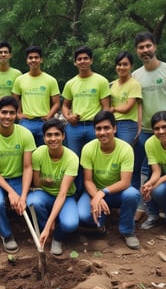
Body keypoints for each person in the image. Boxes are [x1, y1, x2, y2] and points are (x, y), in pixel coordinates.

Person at [132, 31, 166, 228]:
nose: (145, 50)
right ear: (137, 51)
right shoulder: (136, 75)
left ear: (155, 46)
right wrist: (138, 129)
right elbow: (137, 105)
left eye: (148, 46)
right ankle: (150, 213)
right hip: (146, 131)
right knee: (146, 171)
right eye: (141, 47)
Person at [77, 110, 141, 250]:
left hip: (117, 191)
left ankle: (127, 231)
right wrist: (97, 196)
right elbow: (88, 180)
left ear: (114, 129)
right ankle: (103, 221)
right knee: (83, 215)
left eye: (106, 128)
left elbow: (125, 182)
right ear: (94, 131)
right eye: (98, 129)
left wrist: (103, 193)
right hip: (95, 191)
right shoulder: (88, 148)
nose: (102, 132)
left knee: (132, 194)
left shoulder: (125, 149)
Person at [0, 96, 36, 253]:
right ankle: (6, 234)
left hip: (19, 178)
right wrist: (11, 193)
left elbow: (27, 167)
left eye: (12, 113)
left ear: (17, 114)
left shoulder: (25, 134)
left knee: (32, 203)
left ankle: (40, 233)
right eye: (4, 112)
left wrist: (23, 196)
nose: (8, 116)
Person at [61, 46, 110, 195]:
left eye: (85, 58)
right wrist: (68, 117)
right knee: (74, 161)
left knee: (95, 160)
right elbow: (65, 105)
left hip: (94, 127)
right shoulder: (71, 83)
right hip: (74, 127)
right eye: (79, 59)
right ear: (75, 62)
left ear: (91, 60)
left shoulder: (101, 81)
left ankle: (94, 192)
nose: (82, 61)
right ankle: (75, 192)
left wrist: (101, 125)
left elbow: (106, 107)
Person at [26, 118, 79, 255]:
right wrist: (46, 181)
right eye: (49, 135)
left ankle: (56, 237)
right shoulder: (38, 154)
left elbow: (62, 193)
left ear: (63, 136)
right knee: (33, 202)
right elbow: (37, 183)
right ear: (44, 138)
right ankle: (45, 232)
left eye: (57, 134)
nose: (53, 138)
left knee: (70, 223)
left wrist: (51, 223)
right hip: (45, 194)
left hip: (65, 196)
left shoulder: (72, 158)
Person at [12, 45, 60, 146]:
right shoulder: (20, 80)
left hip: (44, 122)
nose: (33, 60)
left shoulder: (51, 80)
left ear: (41, 60)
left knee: (45, 151)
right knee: (25, 151)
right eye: (30, 58)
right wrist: (18, 113)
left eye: (36, 57)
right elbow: (15, 99)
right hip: (26, 122)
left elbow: (56, 103)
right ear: (27, 60)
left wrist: (49, 116)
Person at [110, 51, 142, 146]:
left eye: (125, 64)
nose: (122, 67)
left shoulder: (134, 84)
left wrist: (114, 109)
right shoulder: (112, 84)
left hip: (128, 124)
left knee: (126, 151)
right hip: (112, 123)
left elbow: (127, 107)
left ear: (131, 66)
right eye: (119, 64)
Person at [0, 41, 22, 125]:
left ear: (10, 55)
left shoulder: (17, 74)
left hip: (13, 110)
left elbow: (20, 96)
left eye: (6, 52)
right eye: (0, 52)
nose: (3, 54)